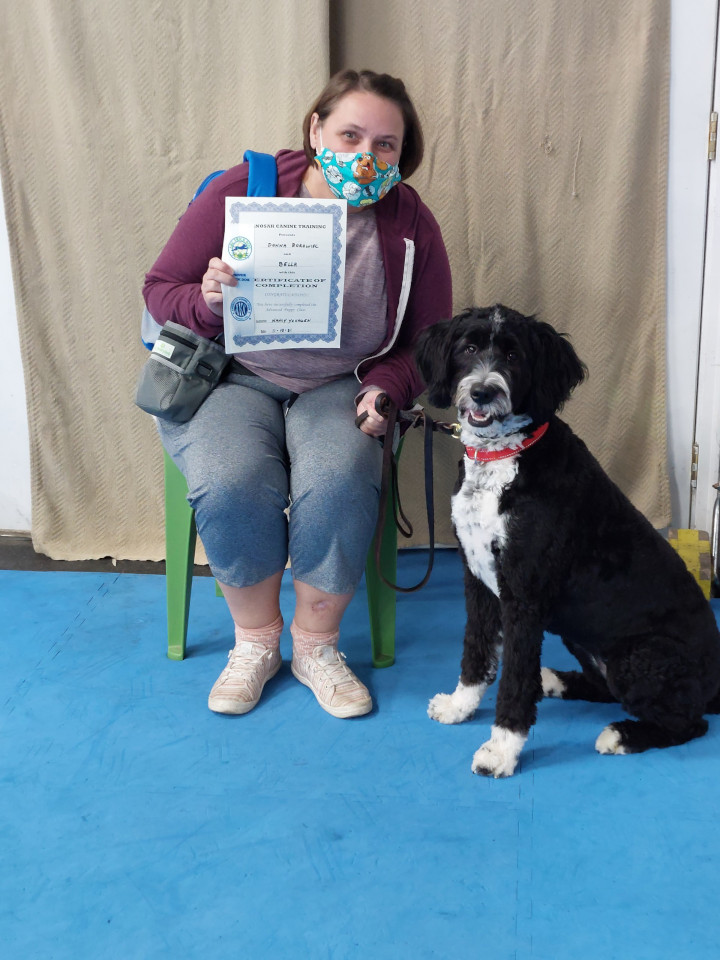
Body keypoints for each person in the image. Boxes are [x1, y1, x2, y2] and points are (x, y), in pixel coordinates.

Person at [143, 69, 452, 719]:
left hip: (341, 382)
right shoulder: (243, 191)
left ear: (403, 153)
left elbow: (428, 337)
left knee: (342, 472)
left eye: (386, 144)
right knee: (231, 476)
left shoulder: (409, 221)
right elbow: (160, 287)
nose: (365, 156)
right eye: (349, 134)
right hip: (233, 374)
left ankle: (316, 646)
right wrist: (203, 300)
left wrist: (388, 389)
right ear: (316, 131)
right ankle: (255, 642)